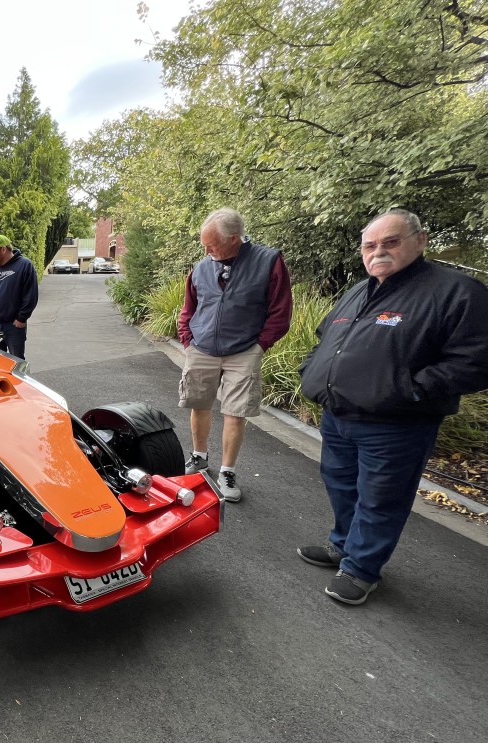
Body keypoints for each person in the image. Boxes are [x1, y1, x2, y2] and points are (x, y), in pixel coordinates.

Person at [297, 209, 488, 606]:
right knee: (341, 485)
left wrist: (408, 390)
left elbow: (476, 360)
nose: (378, 251)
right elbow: (325, 337)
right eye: (370, 245)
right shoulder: (360, 290)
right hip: (339, 417)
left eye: (390, 241)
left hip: (396, 424)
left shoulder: (455, 292)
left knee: (381, 498)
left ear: (420, 240)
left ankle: (361, 569)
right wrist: (311, 369)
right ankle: (343, 546)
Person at [177, 208, 293, 503]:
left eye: (212, 244)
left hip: (244, 350)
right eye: (204, 244)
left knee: (235, 412)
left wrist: (260, 345)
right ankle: (199, 458)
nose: (206, 250)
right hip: (201, 347)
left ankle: (227, 471)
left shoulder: (268, 262)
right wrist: (187, 339)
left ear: (234, 239)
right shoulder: (202, 266)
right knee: (199, 404)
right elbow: (189, 307)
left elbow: (280, 311)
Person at [0, 234, 38, 359]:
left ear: (3, 249)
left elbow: (30, 295)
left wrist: (22, 318)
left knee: (17, 364)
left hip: (13, 327)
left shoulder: (24, 265)